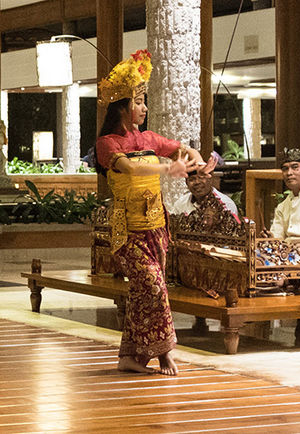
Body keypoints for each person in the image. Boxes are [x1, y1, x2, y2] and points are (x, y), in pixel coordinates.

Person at [93, 49, 216, 376]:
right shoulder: (107, 143)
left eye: (144, 101)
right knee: (152, 286)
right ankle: (164, 353)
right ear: (123, 106)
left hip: (156, 226)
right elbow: (131, 170)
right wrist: (168, 169)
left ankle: (130, 358)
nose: (144, 108)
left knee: (142, 292)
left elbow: (182, 148)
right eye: (139, 102)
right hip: (127, 230)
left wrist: (196, 160)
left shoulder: (148, 137)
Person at [170, 171, 239, 218]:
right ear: (186, 183)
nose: (197, 182)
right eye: (192, 179)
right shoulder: (180, 204)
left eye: (201, 178)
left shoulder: (226, 204)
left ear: (210, 179)